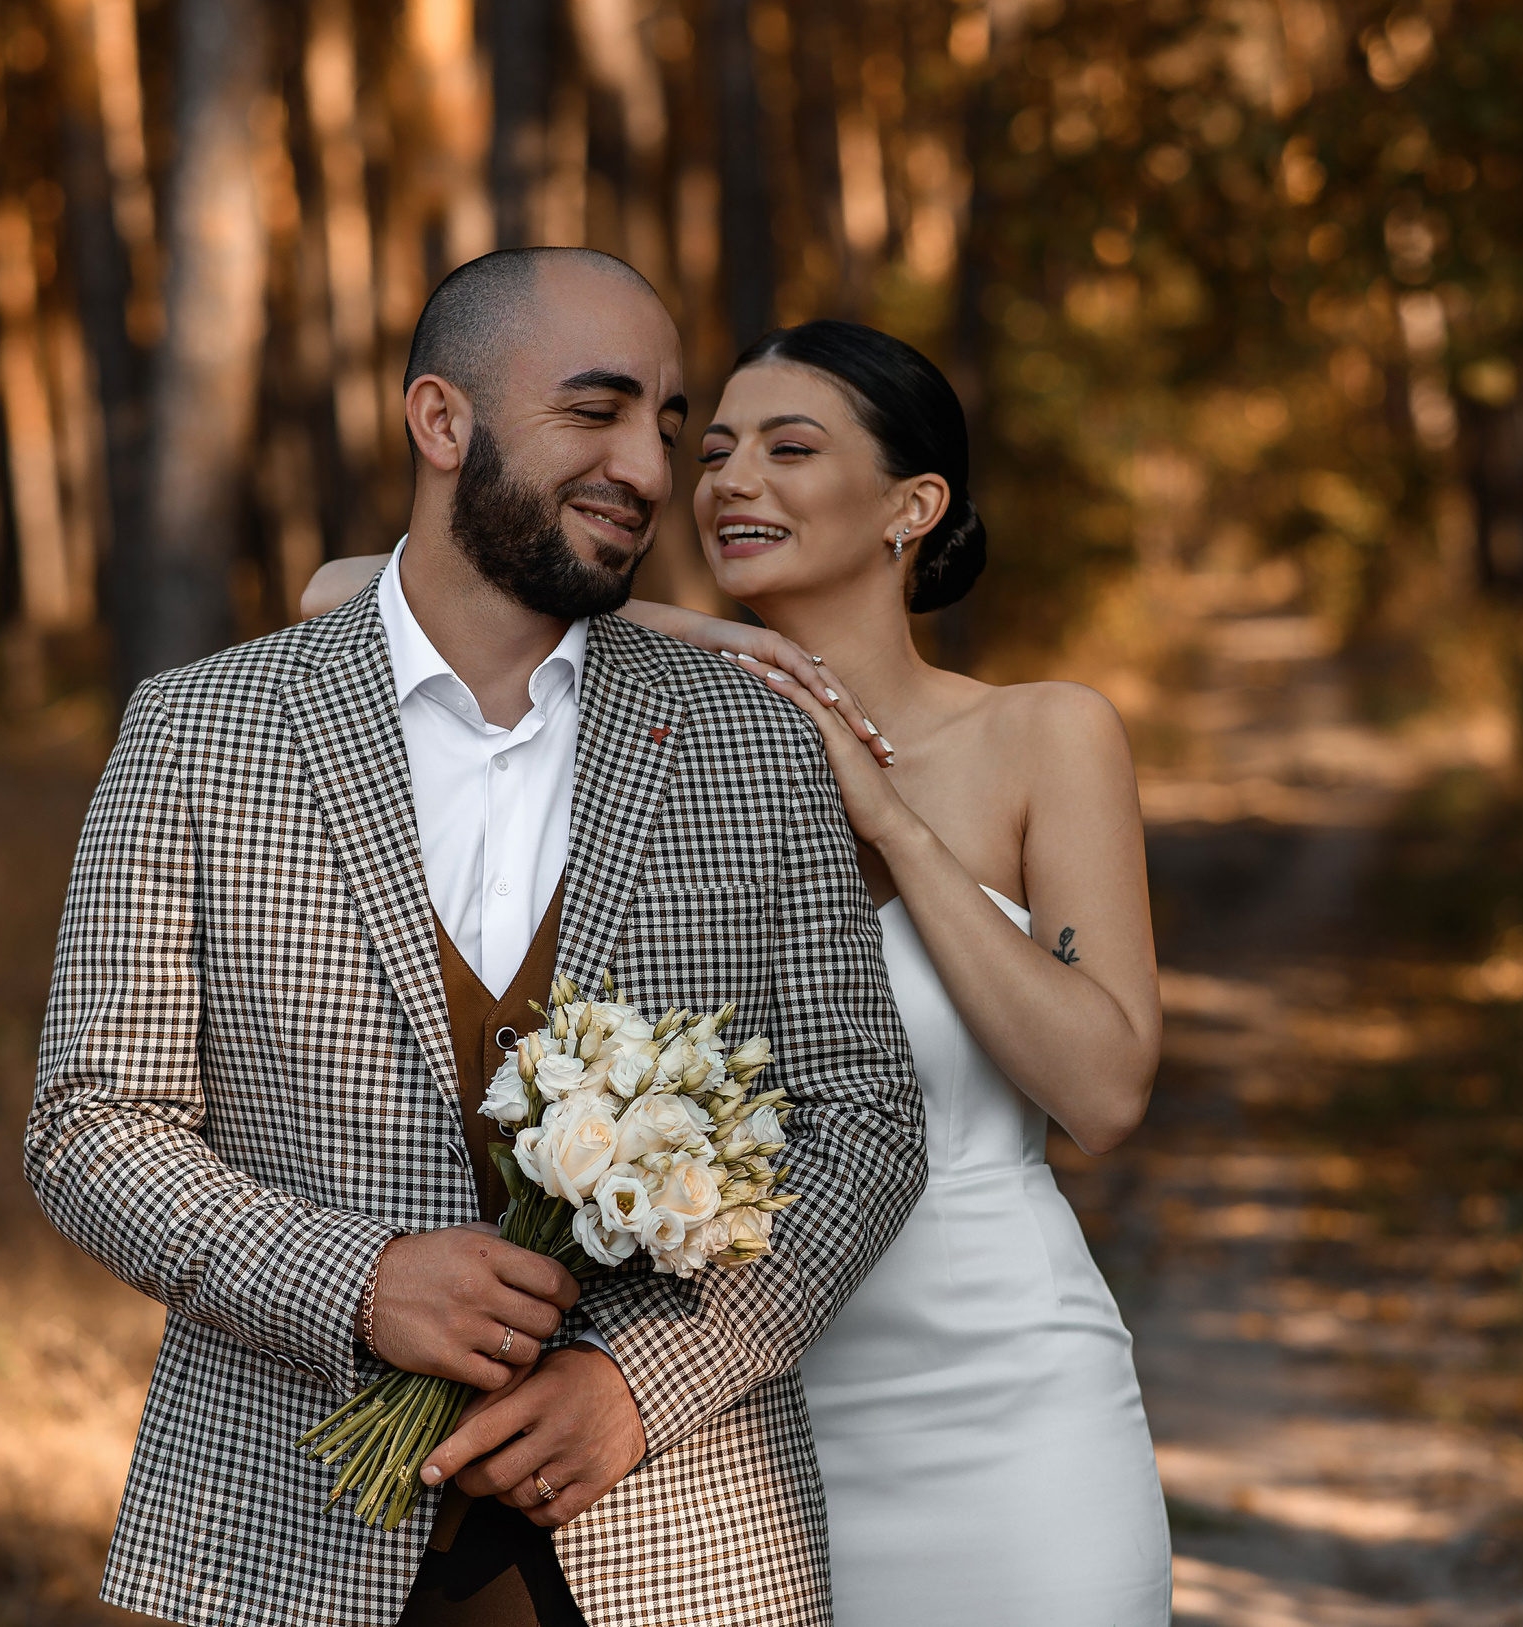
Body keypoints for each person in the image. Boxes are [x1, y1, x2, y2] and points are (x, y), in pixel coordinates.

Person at [27, 249, 925, 1627]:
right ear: (443, 422)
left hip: (678, 1545)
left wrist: (644, 1386)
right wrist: (357, 1283)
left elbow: (865, 1119)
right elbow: (92, 1122)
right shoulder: (202, 733)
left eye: (667, 426)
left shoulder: (748, 744)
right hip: (281, 1533)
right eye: (597, 410)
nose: (646, 466)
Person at [304, 318, 1171, 1624]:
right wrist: (663, 629)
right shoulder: (654, 720)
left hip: (1007, 1416)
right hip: (727, 1429)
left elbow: (1102, 1092)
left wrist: (887, 820)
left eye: (789, 446)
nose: (727, 480)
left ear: (913, 506)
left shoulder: (1043, 733)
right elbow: (331, 591)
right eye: (710, 451)